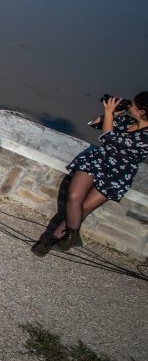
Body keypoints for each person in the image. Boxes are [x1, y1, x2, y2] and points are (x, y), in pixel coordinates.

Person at [32, 93, 148, 256]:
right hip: (97, 161)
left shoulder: (145, 136)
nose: (129, 106)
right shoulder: (128, 120)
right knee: (73, 197)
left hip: (117, 174)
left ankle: (50, 240)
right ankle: (72, 236)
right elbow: (95, 124)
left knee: (84, 208)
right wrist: (113, 114)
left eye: (133, 106)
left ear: (142, 111)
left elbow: (109, 137)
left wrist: (109, 113)